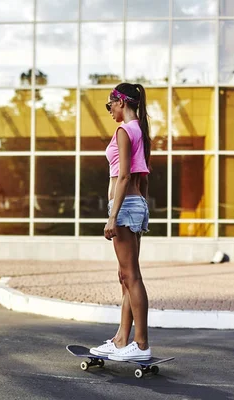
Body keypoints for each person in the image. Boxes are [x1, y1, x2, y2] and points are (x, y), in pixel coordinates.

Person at [90, 83, 152, 361]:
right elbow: (143, 177)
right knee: (126, 276)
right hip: (134, 206)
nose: (110, 110)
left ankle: (140, 345)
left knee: (131, 277)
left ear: (121, 102)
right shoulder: (141, 130)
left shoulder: (124, 131)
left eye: (110, 105)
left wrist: (112, 217)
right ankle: (120, 339)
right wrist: (142, 210)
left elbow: (124, 176)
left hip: (125, 206)